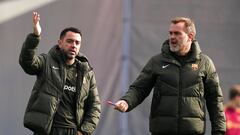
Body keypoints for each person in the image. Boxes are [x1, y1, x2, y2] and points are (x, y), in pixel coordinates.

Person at [113, 17, 226, 135]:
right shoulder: (157, 61)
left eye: (177, 33)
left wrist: (219, 131)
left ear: (190, 36)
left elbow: (215, 100)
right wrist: (126, 102)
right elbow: (139, 88)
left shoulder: (205, 63)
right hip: (162, 131)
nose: (172, 37)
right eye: (171, 33)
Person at [19, 12, 101, 135]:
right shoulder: (46, 61)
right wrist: (35, 36)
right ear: (60, 42)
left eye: (77, 43)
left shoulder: (86, 72)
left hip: (73, 131)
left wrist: (83, 131)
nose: (74, 45)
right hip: (47, 129)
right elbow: (27, 63)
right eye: (70, 41)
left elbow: (94, 105)